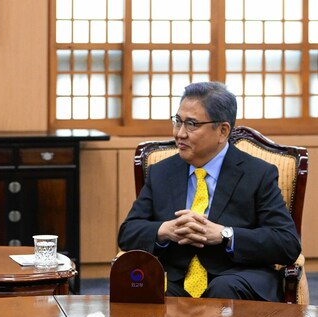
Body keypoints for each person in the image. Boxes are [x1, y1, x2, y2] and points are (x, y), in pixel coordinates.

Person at [118, 82, 301, 302]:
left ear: (222, 131)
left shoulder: (257, 174)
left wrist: (225, 235)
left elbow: (287, 242)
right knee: (143, 286)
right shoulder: (162, 172)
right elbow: (128, 233)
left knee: (223, 289)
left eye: (192, 124)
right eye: (178, 122)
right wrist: (165, 230)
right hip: (175, 278)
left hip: (236, 276)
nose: (180, 133)